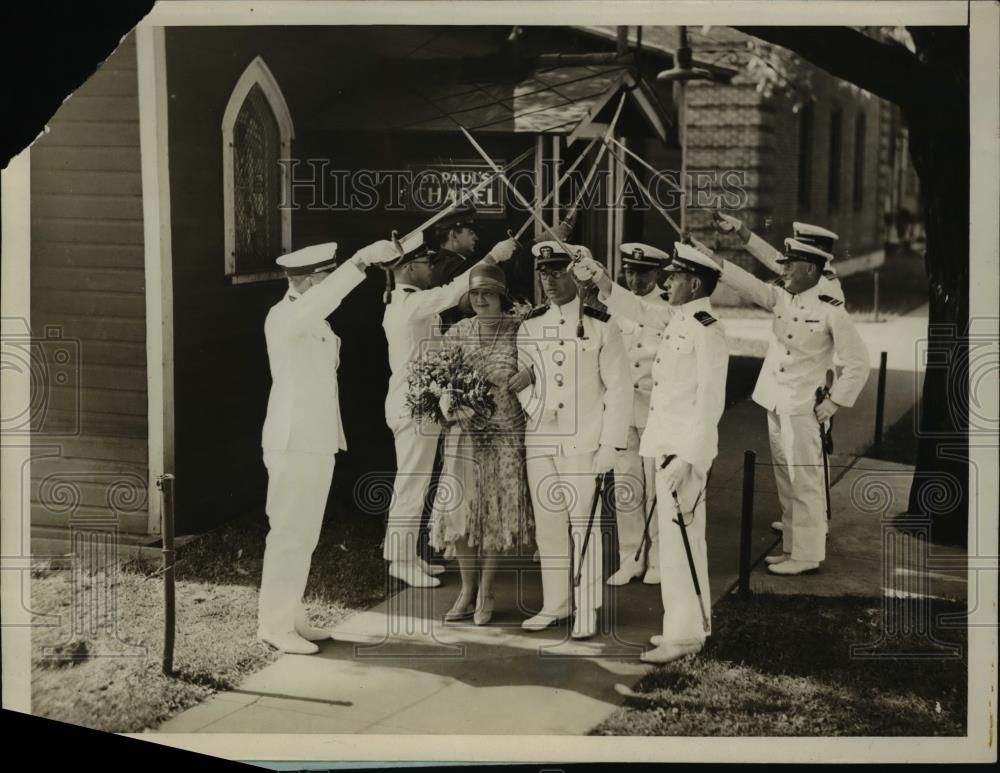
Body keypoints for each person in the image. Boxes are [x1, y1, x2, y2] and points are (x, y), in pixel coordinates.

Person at [576, 242, 729, 664]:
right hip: (665, 445)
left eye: (675, 276)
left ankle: (688, 633)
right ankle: (682, 629)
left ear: (693, 282)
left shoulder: (705, 328)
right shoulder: (679, 317)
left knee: (683, 543)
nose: (666, 281)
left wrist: (689, 458)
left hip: (683, 453)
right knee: (677, 545)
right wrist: (600, 279)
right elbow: (639, 310)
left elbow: (710, 402)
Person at [258, 238, 399, 654]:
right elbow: (325, 298)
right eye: (323, 278)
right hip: (293, 439)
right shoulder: (286, 315)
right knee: (288, 534)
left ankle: (291, 615)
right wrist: (360, 262)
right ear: (307, 281)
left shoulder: (313, 319)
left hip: (316, 439)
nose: (326, 287)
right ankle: (273, 625)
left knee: (304, 536)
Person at [704, 236, 870, 576]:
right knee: (785, 478)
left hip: (802, 405)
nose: (783, 270)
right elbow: (749, 286)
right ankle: (793, 546)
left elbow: (858, 362)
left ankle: (808, 555)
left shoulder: (830, 309)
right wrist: (715, 262)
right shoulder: (782, 298)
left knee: (805, 479)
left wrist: (835, 402)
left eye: (790, 264)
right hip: (776, 400)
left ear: (810, 268)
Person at [382, 232, 518, 588]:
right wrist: (492, 255)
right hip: (412, 406)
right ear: (409, 268)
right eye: (426, 262)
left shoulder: (408, 301)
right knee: (411, 482)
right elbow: (453, 290)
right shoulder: (409, 304)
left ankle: (409, 555)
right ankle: (399, 559)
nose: (432, 267)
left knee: (417, 480)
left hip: (421, 404)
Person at [513, 241, 630, 640]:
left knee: (585, 524)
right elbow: (523, 377)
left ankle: (587, 606)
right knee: (548, 524)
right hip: (541, 439)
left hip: (584, 441)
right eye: (543, 273)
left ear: (577, 276)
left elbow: (619, 388)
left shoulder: (601, 323)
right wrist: (533, 405)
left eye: (557, 272)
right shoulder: (530, 325)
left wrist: (611, 444)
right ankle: (556, 603)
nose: (548, 280)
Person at [428, 263, 533, 625]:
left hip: (504, 434)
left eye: (487, 293)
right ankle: (467, 589)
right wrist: (447, 404)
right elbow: (438, 380)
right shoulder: (457, 331)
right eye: (475, 293)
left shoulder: (520, 331)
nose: (481, 299)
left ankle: (487, 591)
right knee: (460, 512)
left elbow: (547, 367)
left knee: (493, 512)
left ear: (501, 295)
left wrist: (531, 373)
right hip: (464, 434)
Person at [606, 243, 671, 587]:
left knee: (656, 490)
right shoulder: (616, 308)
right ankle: (631, 558)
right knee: (627, 487)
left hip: (656, 411)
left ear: (658, 274)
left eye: (642, 273)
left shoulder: (671, 308)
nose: (634, 278)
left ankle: (659, 559)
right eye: (629, 271)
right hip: (623, 410)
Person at [712, 211, 846, 303]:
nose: (787, 267)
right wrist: (740, 228)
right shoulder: (805, 273)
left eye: (800, 251)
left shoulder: (827, 288)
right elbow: (773, 258)